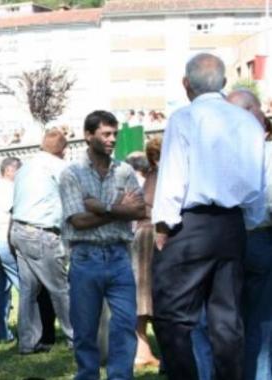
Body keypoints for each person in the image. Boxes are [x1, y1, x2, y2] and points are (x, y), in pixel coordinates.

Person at [151, 53, 266, 380]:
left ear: (186, 84)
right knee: (227, 319)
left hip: (191, 224)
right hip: (233, 224)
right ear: (225, 83)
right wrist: (248, 222)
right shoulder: (247, 121)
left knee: (173, 316)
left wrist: (163, 224)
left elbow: (173, 175)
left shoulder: (184, 118)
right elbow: (256, 184)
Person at [59, 110, 144, 379]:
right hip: (85, 257)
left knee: (124, 324)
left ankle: (120, 376)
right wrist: (118, 209)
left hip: (119, 256)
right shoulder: (72, 174)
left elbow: (139, 210)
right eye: (106, 134)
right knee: (85, 329)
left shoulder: (125, 170)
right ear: (88, 136)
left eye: (115, 134)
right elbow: (78, 221)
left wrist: (101, 208)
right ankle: (88, 375)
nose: (112, 140)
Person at [11, 128, 74, 355]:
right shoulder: (59, 166)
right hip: (41, 232)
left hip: (19, 229)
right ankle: (76, 338)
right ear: (63, 150)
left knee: (29, 291)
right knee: (60, 288)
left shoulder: (25, 167)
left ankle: (27, 342)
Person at [227, 88, 272, 380]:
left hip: (223, 241)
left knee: (231, 324)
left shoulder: (221, 152)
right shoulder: (264, 151)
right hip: (258, 238)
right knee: (261, 325)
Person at [127, 140, 161, 369]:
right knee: (152, 296)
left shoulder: (152, 176)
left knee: (144, 296)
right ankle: (144, 351)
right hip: (154, 237)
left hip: (143, 235)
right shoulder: (160, 176)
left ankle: (143, 350)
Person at [0, 157, 21, 343]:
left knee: (0, 291)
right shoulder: (9, 189)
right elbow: (13, 216)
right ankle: (28, 331)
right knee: (25, 287)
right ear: (9, 171)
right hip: (5, 239)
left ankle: (1, 334)